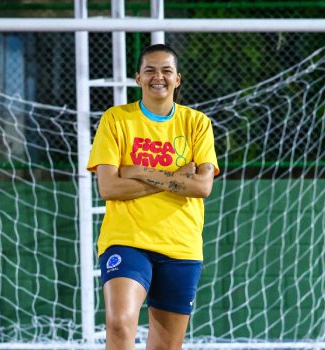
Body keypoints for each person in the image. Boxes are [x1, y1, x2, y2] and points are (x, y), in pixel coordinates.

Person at [86, 43, 219, 350]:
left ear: (178, 79)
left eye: (166, 71)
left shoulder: (197, 123)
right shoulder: (116, 119)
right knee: (119, 325)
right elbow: (109, 188)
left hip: (181, 246)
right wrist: (176, 178)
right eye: (150, 70)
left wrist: (139, 171)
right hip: (127, 239)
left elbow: (202, 186)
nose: (158, 77)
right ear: (138, 78)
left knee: (165, 346)